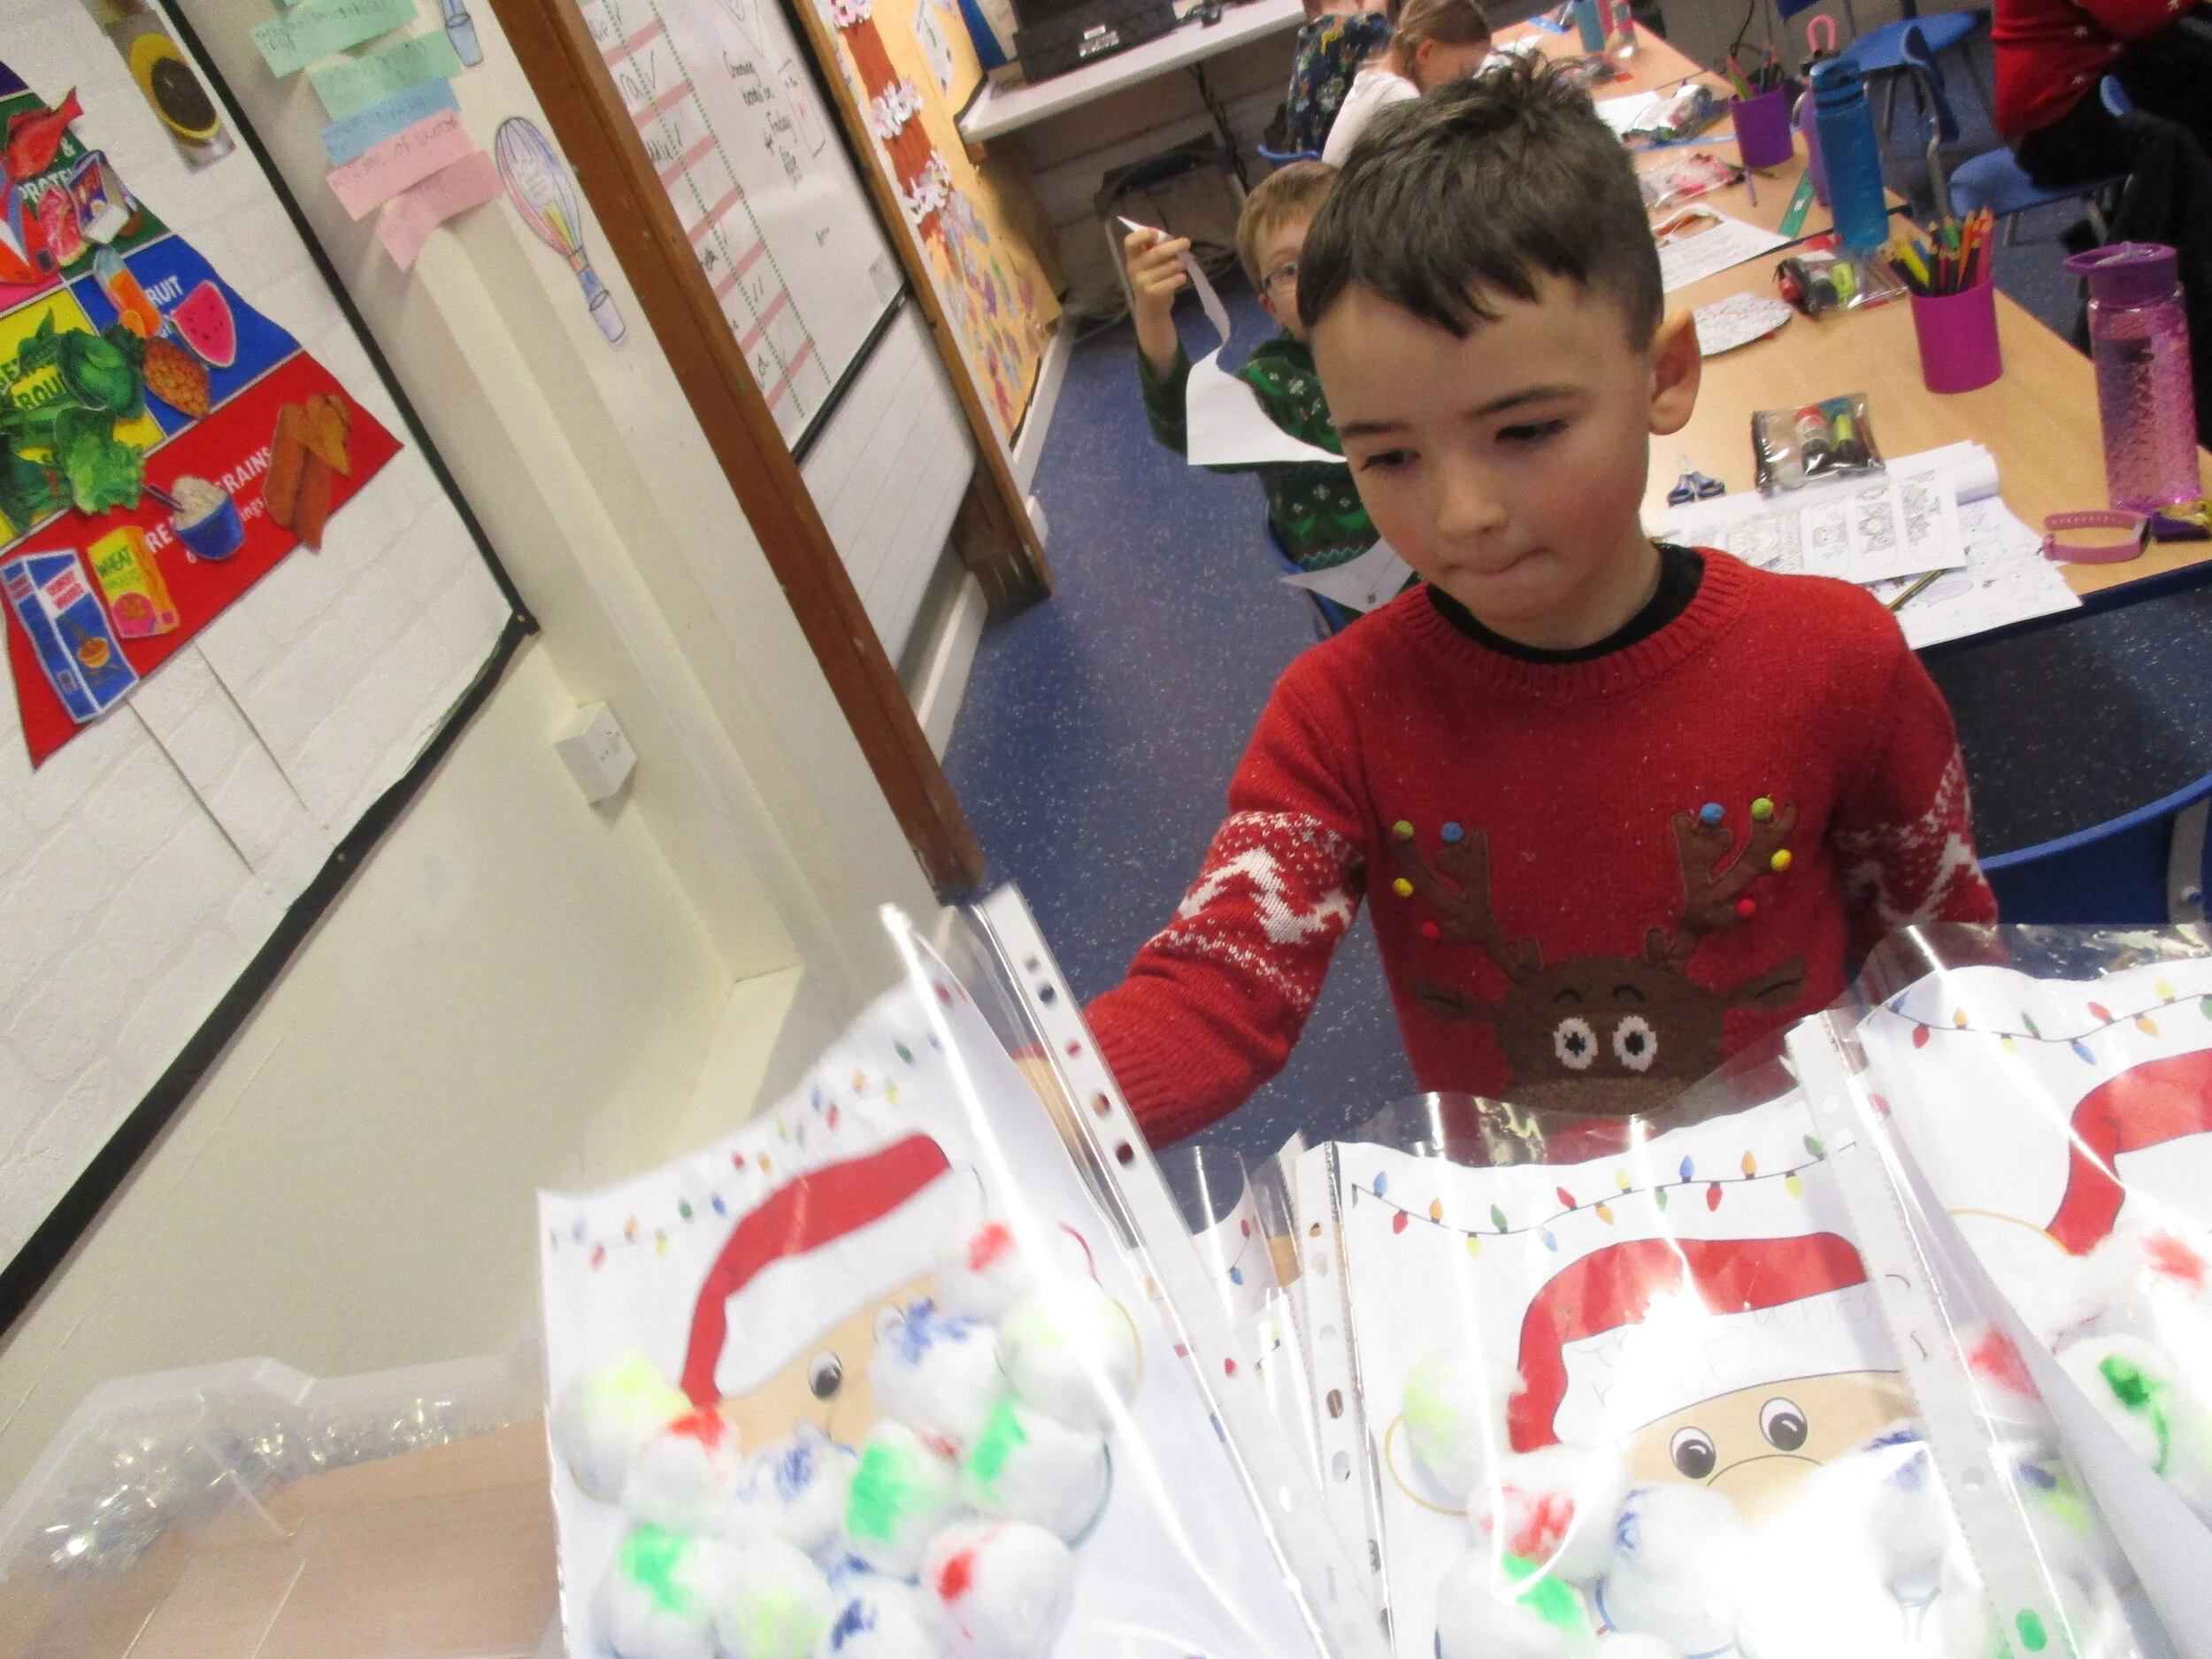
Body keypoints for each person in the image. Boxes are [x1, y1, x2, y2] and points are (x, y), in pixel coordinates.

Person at [1086, 59, 1997, 1145]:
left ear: (1663, 377)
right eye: (1389, 456)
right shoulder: (1337, 716)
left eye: (1523, 432)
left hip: (1815, 1197)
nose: (1462, 514)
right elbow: (1217, 985)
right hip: (1530, 1224)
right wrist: (1026, 1110)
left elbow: (1945, 968)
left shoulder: (1835, 658)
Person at [1124, 161, 1378, 573]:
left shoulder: (1420, 334)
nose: (1317, 275)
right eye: (1289, 270)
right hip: (1370, 590)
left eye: (1331, 248)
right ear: (1271, 306)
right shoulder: (1277, 382)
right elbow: (1192, 428)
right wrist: (1153, 314)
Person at [1993, 0, 2212, 184]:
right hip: (2049, 132)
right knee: (2193, 93)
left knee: (2191, 64)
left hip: (2091, 77)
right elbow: (2132, 18)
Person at [1320, 0, 1493, 165]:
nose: (1466, 83)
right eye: (1464, 70)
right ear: (1425, 52)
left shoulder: (1375, 78)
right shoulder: (1399, 96)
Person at [1282, 0, 1395, 158]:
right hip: (1341, 169)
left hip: (1308, 167)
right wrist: (1376, 13)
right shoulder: (1367, 28)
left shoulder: (1308, 36)